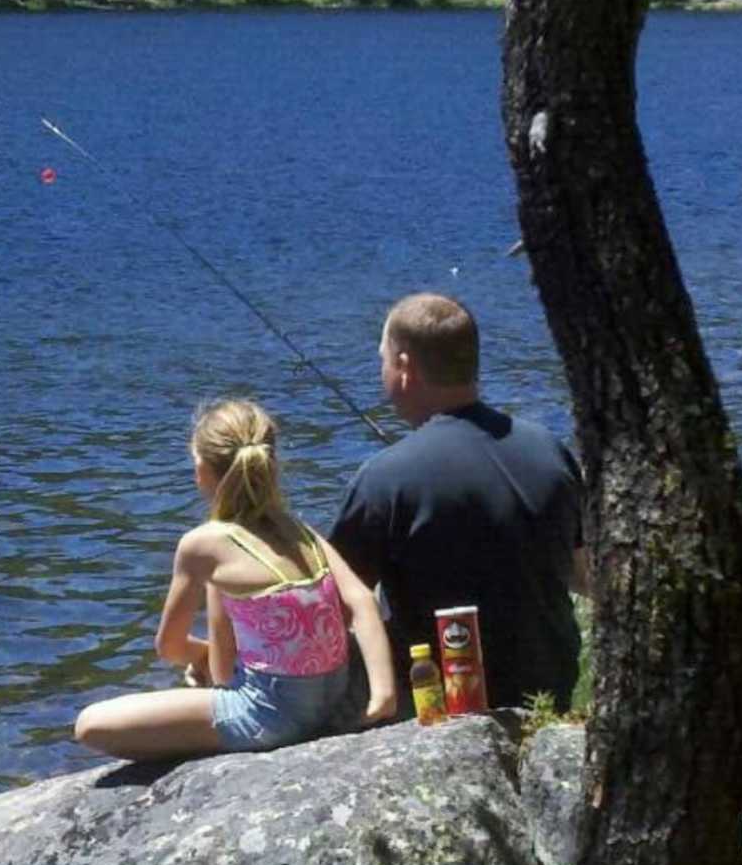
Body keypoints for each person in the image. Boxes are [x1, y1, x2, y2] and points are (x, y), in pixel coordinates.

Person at [75, 399, 397, 761]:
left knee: (90, 724)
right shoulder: (301, 532)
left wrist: (203, 657)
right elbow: (363, 601)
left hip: (270, 715)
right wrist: (382, 693)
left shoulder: (202, 545)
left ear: (201, 471)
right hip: (332, 700)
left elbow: (172, 648)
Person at [330, 293, 589, 713]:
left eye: (383, 360)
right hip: (550, 686)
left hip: (445, 701)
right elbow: (583, 575)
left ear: (404, 367)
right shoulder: (549, 450)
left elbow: (333, 609)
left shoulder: (383, 479)